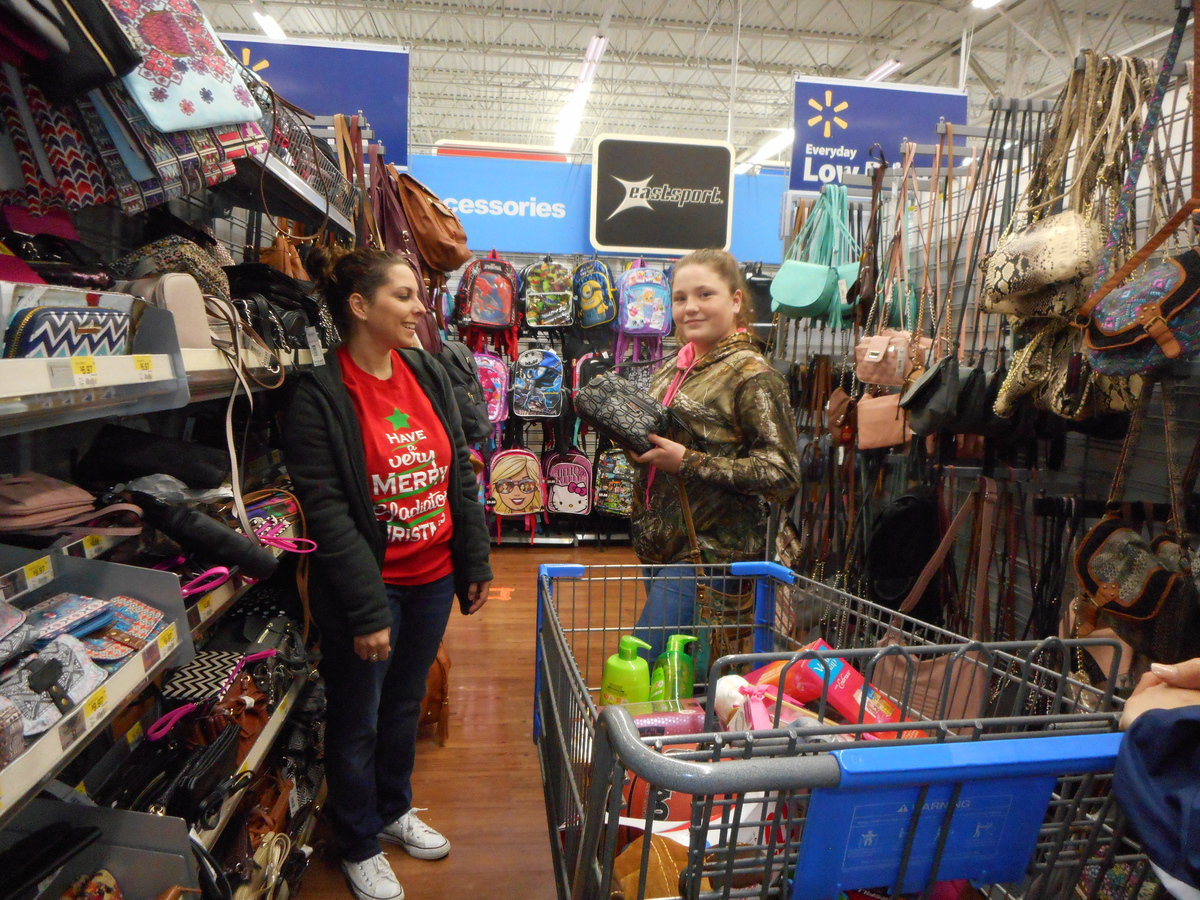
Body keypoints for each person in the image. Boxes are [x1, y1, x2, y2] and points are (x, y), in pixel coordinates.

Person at [281, 247, 492, 900]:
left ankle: (395, 808)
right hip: (370, 588)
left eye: (416, 295)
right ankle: (358, 840)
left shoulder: (425, 370)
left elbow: (458, 467)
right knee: (358, 715)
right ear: (359, 306)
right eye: (403, 296)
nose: (418, 307)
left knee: (405, 704)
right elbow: (328, 510)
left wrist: (474, 556)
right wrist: (369, 610)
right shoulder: (319, 394)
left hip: (431, 577)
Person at [630, 248, 802, 666]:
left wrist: (687, 461)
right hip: (661, 547)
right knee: (682, 670)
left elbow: (782, 474)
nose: (690, 307)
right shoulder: (677, 366)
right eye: (680, 297)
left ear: (736, 300)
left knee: (646, 660)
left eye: (705, 294)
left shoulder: (753, 375)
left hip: (710, 553)